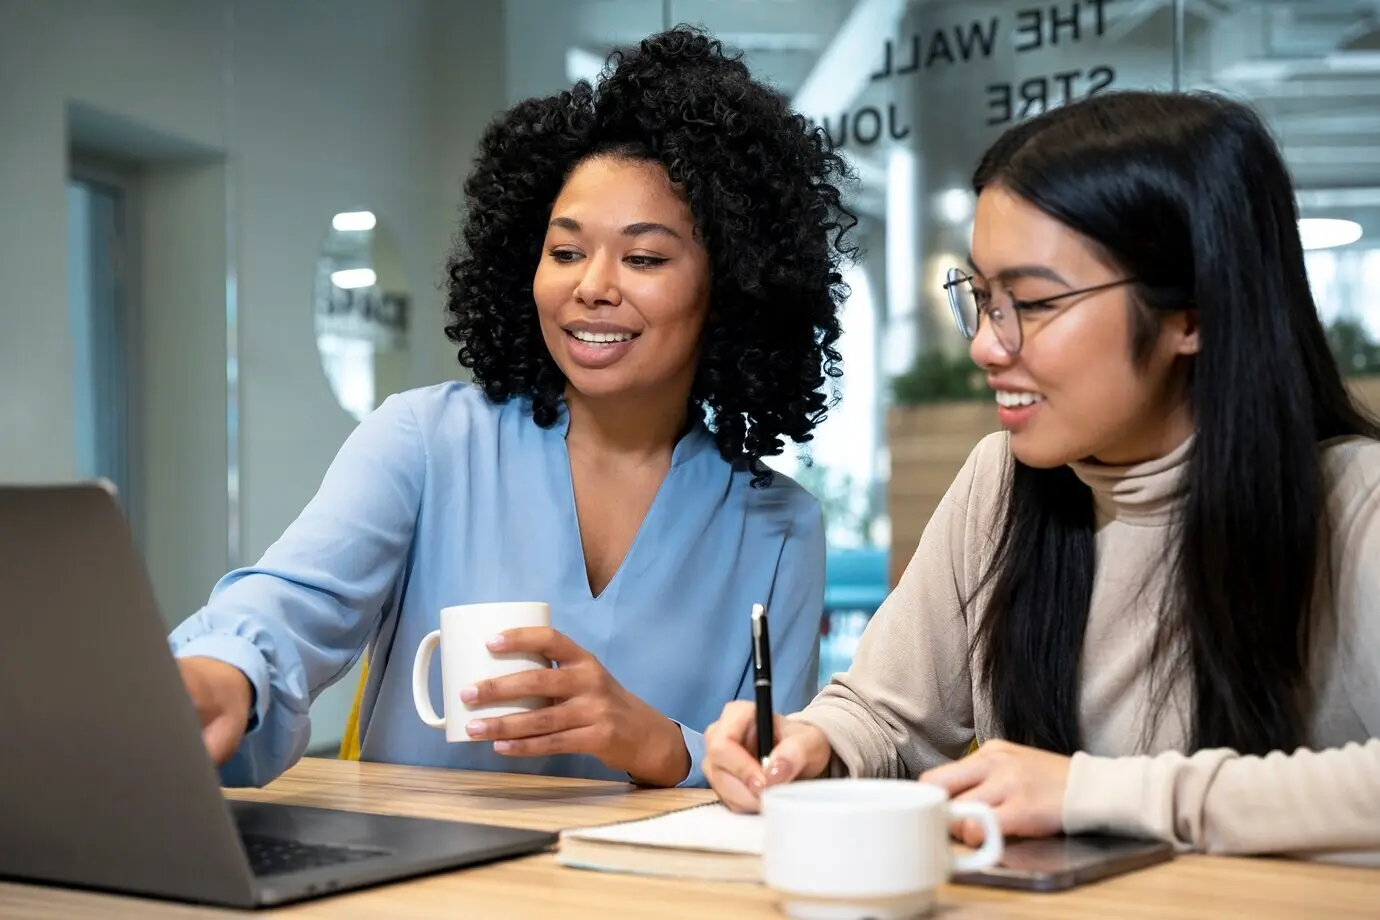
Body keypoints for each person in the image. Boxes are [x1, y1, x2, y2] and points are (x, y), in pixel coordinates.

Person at [170, 26, 857, 790]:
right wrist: (221, 672)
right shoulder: (425, 441)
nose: (591, 285)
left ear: (731, 287)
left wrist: (664, 746)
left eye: (644, 257)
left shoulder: (779, 528)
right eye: (565, 252)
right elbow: (294, 603)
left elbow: (777, 769)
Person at [703, 89, 1380, 861]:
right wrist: (810, 746)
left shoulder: (1353, 506)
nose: (989, 346)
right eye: (985, 300)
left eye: (1032, 301)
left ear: (1192, 313)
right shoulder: (1003, 483)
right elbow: (888, 715)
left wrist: (1091, 793)